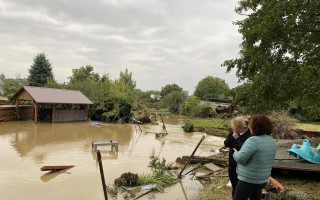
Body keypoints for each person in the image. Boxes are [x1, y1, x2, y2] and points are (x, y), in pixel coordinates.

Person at [233, 114, 276, 200]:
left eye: (251, 126)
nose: (249, 128)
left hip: (248, 179)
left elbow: (241, 159)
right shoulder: (271, 141)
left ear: (256, 127)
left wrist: (235, 153)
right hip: (262, 179)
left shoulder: (253, 141)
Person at [224, 116, 251, 199]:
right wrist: (232, 136)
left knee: (241, 189)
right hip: (232, 164)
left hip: (243, 166)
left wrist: (237, 139)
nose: (233, 128)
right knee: (234, 186)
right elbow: (226, 143)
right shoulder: (233, 132)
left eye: (234, 127)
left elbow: (244, 149)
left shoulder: (249, 135)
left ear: (240, 127)